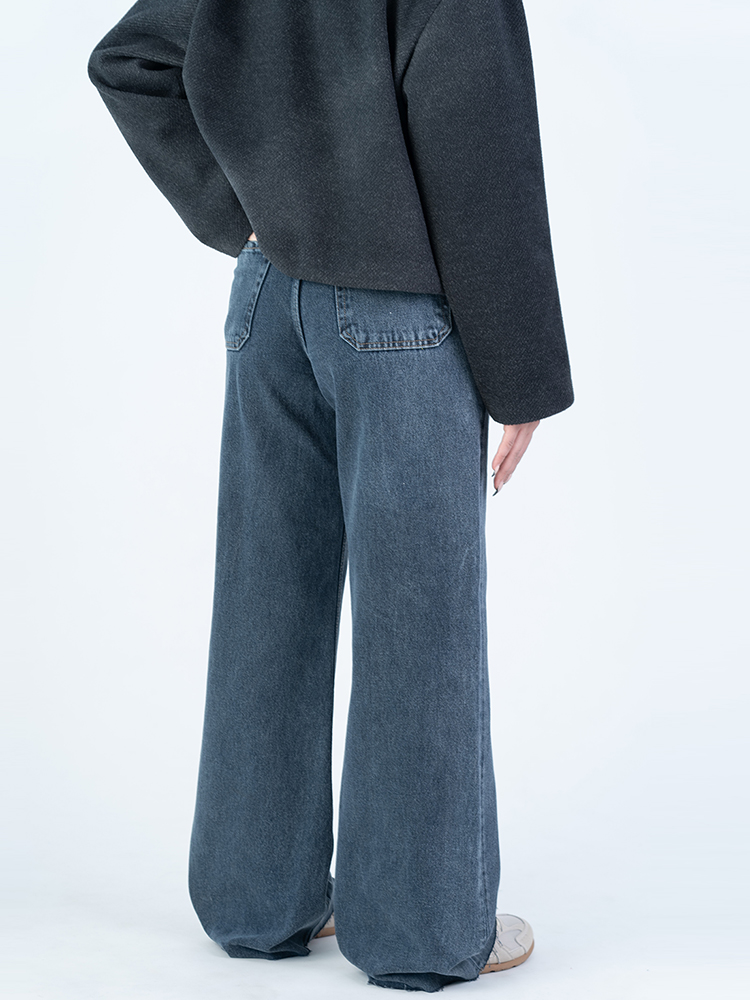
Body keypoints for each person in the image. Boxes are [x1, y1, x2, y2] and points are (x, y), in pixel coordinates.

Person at [87, 0, 574, 992]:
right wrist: (522, 372)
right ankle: (423, 932)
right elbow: (480, 152)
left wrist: (248, 213)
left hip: (269, 296)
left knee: (267, 599)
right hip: (398, 315)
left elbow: (131, 58)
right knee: (419, 623)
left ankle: (255, 902)